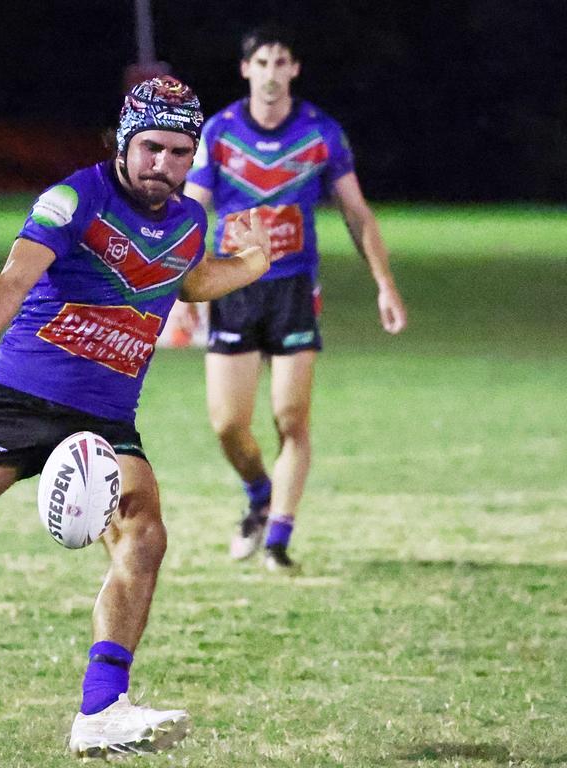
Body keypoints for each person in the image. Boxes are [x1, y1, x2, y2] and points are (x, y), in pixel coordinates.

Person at [0, 76, 278, 759]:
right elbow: (11, 282)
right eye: (152, 149)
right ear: (124, 141)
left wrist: (250, 263)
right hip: (18, 402)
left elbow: (188, 279)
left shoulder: (188, 222)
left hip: (106, 420)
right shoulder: (75, 198)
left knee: (145, 537)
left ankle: (100, 711)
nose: (164, 166)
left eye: (180, 153)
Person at [182, 25, 408, 573]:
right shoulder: (219, 133)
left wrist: (385, 283)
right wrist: (181, 285)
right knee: (228, 424)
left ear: (294, 70)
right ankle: (259, 493)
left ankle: (279, 538)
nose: (271, 71)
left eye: (281, 61)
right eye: (262, 61)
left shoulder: (321, 133)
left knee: (290, 417)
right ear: (246, 70)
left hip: (293, 291)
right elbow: (191, 211)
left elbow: (356, 212)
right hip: (231, 285)